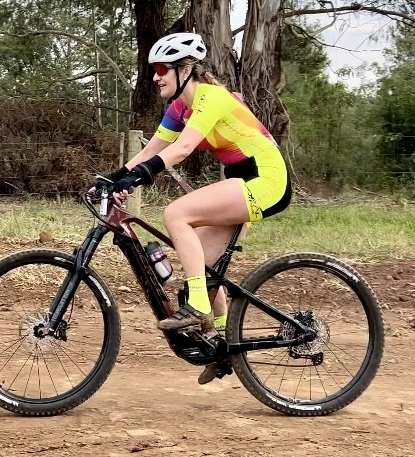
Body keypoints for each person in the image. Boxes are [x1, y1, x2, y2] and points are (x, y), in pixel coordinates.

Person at [102, 32, 292, 383]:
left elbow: (182, 149)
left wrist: (137, 180)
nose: (155, 76)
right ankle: (221, 343)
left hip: (266, 178)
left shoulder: (211, 98)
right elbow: (151, 150)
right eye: (154, 69)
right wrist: (114, 178)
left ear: (185, 69)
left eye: (161, 68)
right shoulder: (179, 107)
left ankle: (199, 308)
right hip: (244, 180)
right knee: (202, 270)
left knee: (176, 213)